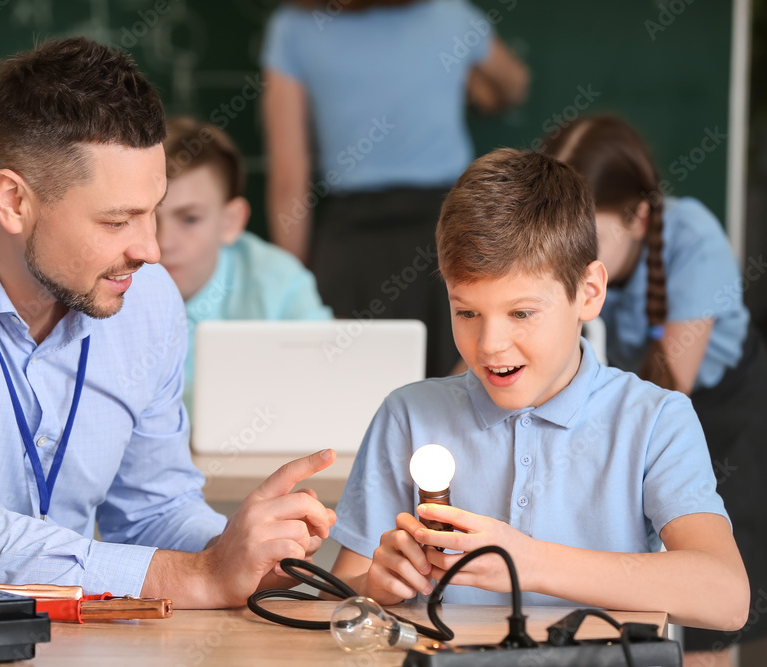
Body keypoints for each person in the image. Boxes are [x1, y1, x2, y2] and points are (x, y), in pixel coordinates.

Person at [0, 38, 337, 607]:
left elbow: (154, 512)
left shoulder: (146, 298)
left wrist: (247, 559)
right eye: (118, 220)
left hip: (57, 642)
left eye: (154, 210)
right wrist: (195, 576)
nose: (151, 249)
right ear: (12, 201)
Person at [327, 149, 748, 635]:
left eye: (522, 313)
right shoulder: (408, 415)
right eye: (467, 312)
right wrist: (376, 587)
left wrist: (526, 561)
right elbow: (346, 597)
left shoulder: (656, 420)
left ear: (588, 293)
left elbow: (727, 595)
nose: (489, 345)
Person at [543, 115, 767, 660]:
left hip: (717, 417)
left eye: (588, 237)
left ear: (639, 216)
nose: (573, 256)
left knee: (707, 618)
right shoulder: (587, 260)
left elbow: (669, 391)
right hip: (629, 413)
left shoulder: (693, 239)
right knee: (632, 596)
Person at [260, 0, 529, 377]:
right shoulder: (449, 14)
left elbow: (290, 174)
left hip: (350, 247)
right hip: (447, 239)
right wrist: (467, 79)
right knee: (452, 412)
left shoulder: (296, 25)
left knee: (345, 408)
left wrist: (288, 287)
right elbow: (513, 83)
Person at [156, 117, 332, 413]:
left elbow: (326, 382)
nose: (164, 242)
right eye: (147, 217)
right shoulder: (108, 281)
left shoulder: (280, 282)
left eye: (189, 219)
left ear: (230, 222)